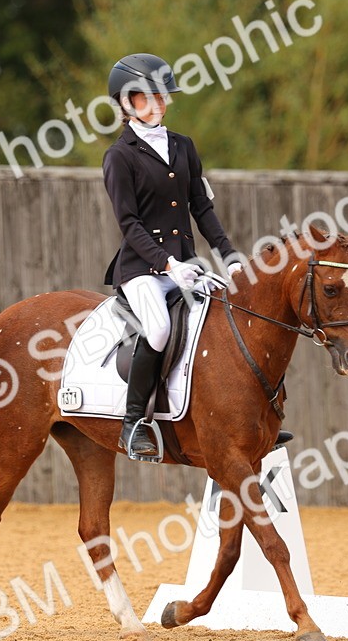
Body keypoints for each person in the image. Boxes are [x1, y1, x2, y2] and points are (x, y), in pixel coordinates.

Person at [101, 53, 244, 458]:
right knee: (160, 329)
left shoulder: (183, 146)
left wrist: (229, 255)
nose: (160, 104)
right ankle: (134, 423)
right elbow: (129, 224)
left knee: (223, 323)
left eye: (163, 97)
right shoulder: (120, 156)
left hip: (186, 264)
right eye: (149, 97)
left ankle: (239, 420)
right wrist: (168, 264)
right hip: (143, 269)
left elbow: (202, 208)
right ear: (127, 103)